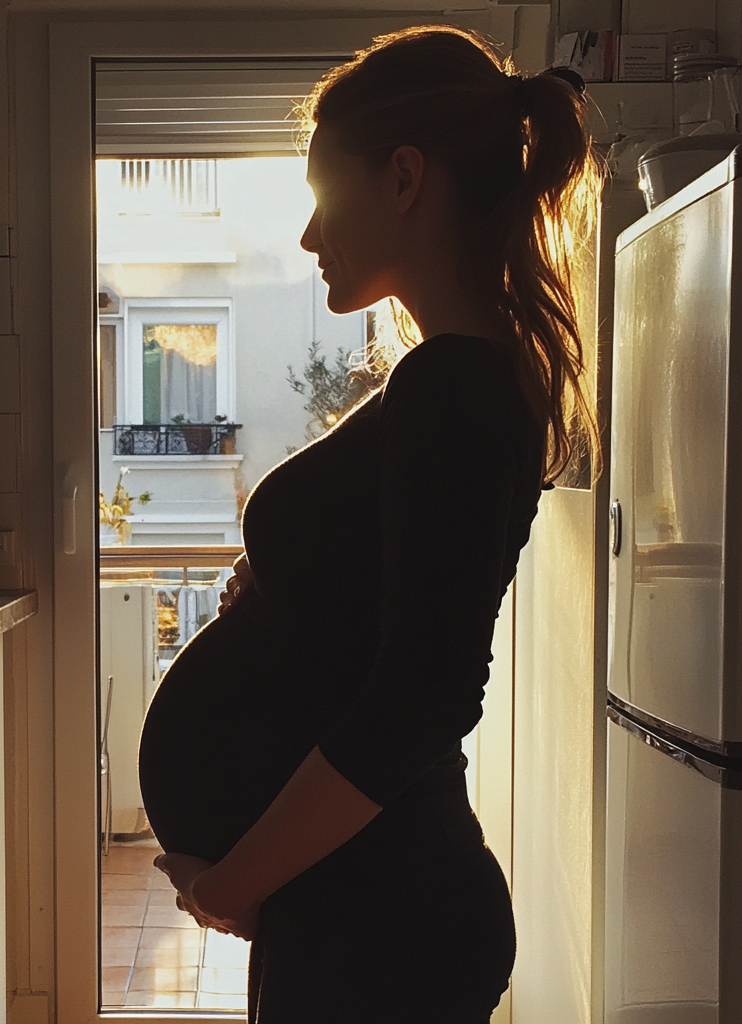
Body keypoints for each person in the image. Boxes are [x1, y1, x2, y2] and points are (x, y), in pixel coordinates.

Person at [137, 25, 600, 1023]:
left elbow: (422, 697)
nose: (307, 237)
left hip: (382, 925)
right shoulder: (451, 378)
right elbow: (382, 617)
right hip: (363, 913)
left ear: (401, 177)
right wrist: (283, 593)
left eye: (318, 195)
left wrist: (232, 882)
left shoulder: (455, 385)